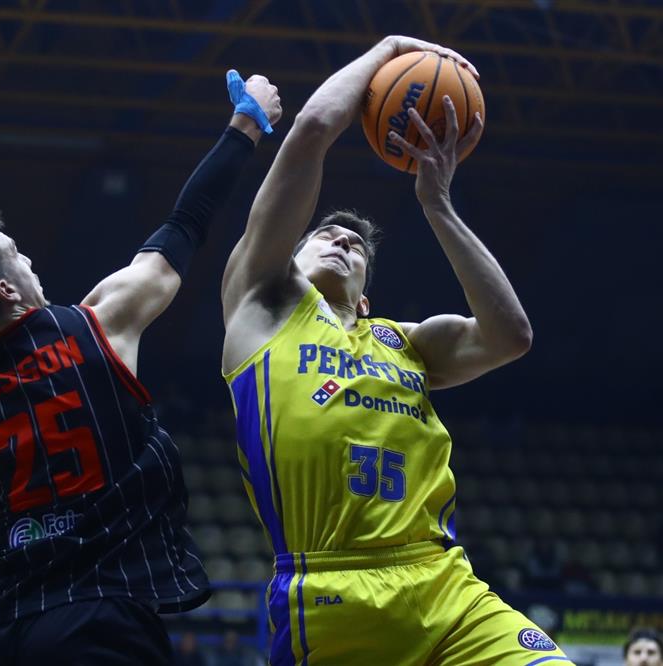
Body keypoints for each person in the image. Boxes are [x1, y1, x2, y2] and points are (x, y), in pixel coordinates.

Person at [219, 35, 574, 665]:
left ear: (365, 299)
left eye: (356, 246)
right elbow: (312, 129)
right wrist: (388, 49)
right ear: (287, 259)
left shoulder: (403, 341)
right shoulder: (261, 307)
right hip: (332, 589)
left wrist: (438, 207)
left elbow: (510, 336)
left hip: (445, 583)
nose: (342, 242)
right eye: (325, 235)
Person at [0, 74, 281, 665]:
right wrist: (245, 125)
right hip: (99, 612)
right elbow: (185, 225)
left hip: (2, 631)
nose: (29, 258)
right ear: (7, 289)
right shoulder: (98, 327)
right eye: (15, 253)